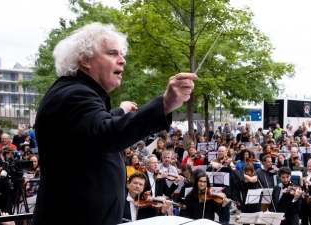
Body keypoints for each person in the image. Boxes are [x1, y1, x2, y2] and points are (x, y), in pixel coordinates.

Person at [32, 22, 197, 225]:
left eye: (121, 54)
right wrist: (164, 104)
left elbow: (90, 127)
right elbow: (105, 133)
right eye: (112, 53)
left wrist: (120, 111)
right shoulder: (74, 94)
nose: (123, 60)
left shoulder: (75, 91)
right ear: (85, 59)